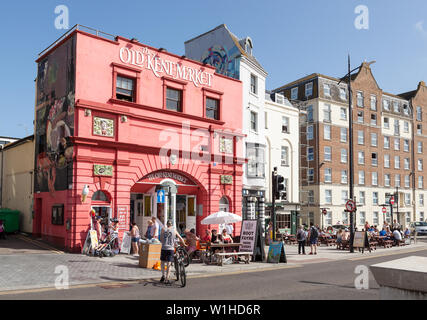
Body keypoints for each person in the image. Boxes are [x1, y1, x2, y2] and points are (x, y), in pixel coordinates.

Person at [159, 220, 186, 284]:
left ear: (166, 224)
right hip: (170, 249)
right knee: (169, 264)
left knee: (162, 262)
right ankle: (167, 278)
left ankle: (163, 275)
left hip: (164, 248)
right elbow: (180, 238)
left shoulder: (163, 229)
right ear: (171, 225)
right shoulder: (174, 230)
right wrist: (184, 244)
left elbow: (160, 239)